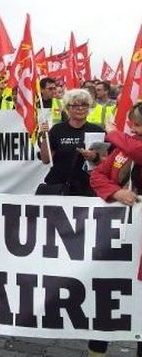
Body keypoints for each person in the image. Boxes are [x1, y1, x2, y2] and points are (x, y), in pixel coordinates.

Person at [88, 102, 142, 357]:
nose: (135, 128)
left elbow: (137, 150)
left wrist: (113, 133)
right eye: (133, 123)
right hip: (119, 238)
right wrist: (115, 192)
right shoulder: (122, 151)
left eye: (139, 124)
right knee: (109, 295)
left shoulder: (129, 145)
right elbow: (97, 175)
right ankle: (96, 350)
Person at [38, 88, 104, 196]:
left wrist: (95, 157)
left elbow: (105, 162)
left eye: (84, 105)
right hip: (58, 186)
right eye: (75, 105)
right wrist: (45, 137)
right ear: (67, 108)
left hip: (86, 188)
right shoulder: (57, 129)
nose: (80, 108)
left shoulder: (97, 130)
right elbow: (46, 159)